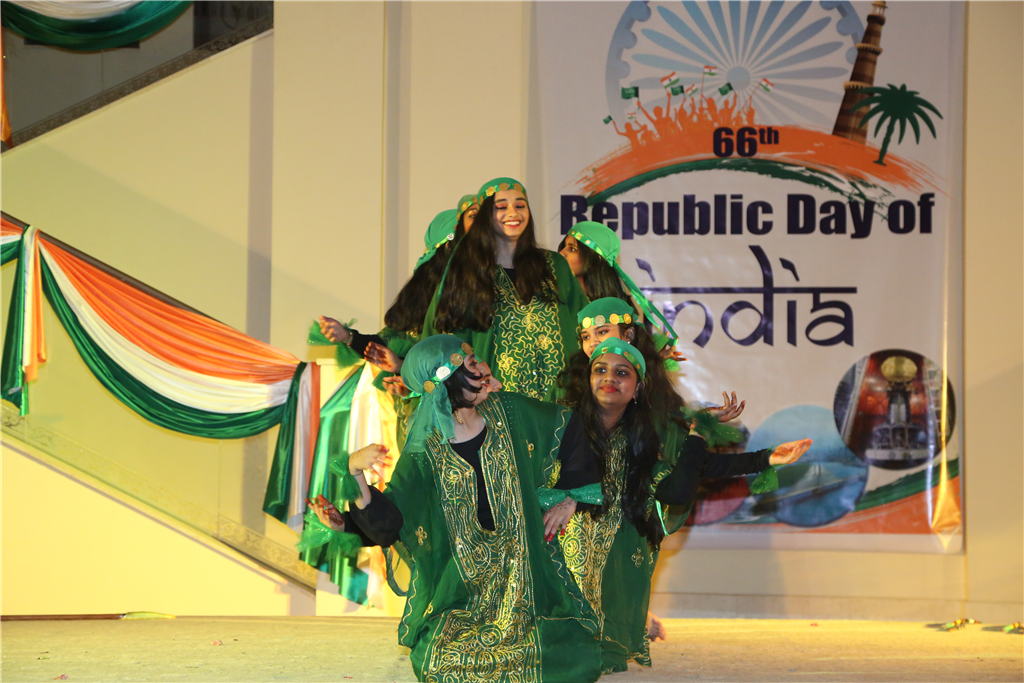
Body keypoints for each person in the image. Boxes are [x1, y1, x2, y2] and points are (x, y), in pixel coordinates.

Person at [313, 335, 605, 682]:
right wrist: (355, 475)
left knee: (578, 657)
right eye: (472, 364)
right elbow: (394, 520)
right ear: (447, 379)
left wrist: (569, 498)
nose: (484, 368)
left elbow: (570, 425)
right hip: (465, 592)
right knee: (436, 663)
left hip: (528, 582)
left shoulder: (509, 410)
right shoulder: (426, 447)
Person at [560, 338, 812, 673]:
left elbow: (684, 478)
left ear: (638, 388)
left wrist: (759, 456)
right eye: (600, 370)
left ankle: (615, 622)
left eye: (622, 372)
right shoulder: (559, 422)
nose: (609, 378)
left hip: (614, 551)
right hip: (555, 544)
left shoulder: (645, 438)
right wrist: (562, 498)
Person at [422, 178, 588, 402]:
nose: (513, 213)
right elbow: (443, 344)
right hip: (495, 406)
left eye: (520, 205)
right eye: (501, 206)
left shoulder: (555, 265)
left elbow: (584, 325)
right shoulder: (464, 272)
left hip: (562, 403)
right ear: (485, 216)